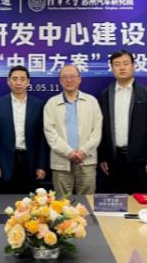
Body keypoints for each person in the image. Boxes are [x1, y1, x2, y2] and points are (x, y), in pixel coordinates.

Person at [98, 50, 147, 194]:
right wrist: (103, 156)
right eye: (117, 64)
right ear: (111, 68)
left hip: (140, 160)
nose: (122, 68)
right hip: (114, 160)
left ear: (133, 66)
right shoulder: (105, 95)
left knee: (139, 200)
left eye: (126, 63)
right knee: (117, 201)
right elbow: (101, 129)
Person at [0, 66, 49, 194]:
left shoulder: (38, 105)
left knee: (31, 202)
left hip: (30, 163)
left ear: (28, 82)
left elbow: (42, 139)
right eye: (14, 79)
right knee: (5, 202)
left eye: (22, 79)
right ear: (8, 81)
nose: (18, 83)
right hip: (5, 164)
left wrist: (42, 165)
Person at [44, 65, 102, 198]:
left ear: (79, 79)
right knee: (61, 203)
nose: (69, 80)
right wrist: (68, 152)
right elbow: (50, 133)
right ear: (60, 81)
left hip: (86, 160)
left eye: (73, 77)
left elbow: (97, 132)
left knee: (87, 202)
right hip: (61, 162)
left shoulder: (91, 102)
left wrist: (84, 151)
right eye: (65, 77)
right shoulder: (51, 103)